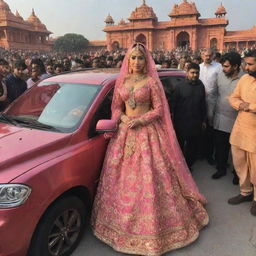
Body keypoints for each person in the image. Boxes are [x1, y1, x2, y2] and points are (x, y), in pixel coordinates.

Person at [91, 43, 209, 256]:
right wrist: (124, 118)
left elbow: (159, 109)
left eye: (141, 58)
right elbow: (117, 106)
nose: (136, 62)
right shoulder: (123, 81)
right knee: (120, 177)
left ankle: (157, 229)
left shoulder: (152, 82)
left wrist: (141, 120)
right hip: (125, 134)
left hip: (148, 133)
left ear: (147, 61)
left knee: (151, 178)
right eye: (133, 58)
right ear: (129, 60)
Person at [228, 49, 256, 216]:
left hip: (254, 133)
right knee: (240, 163)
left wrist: (250, 106)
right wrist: (240, 105)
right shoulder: (244, 79)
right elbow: (233, 97)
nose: (246, 67)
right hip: (240, 129)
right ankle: (245, 192)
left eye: (250, 64)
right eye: (246, 63)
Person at [211, 52, 243, 182]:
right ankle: (221, 169)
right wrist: (210, 113)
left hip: (238, 121)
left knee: (237, 151)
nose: (223, 69)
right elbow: (213, 95)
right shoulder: (220, 76)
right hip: (220, 118)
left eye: (226, 66)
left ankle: (237, 174)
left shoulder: (245, 79)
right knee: (221, 147)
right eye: (223, 66)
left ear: (235, 66)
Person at [171, 63, 207, 172]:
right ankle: (179, 167)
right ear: (187, 72)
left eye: (197, 73)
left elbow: (203, 104)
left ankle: (188, 165)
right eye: (192, 72)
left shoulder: (201, 85)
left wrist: (204, 120)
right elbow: (173, 105)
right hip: (181, 122)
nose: (195, 75)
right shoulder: (179, 87)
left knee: (192, 146)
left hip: (196, 122)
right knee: (180, 146)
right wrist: (173, 121)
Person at [199, 48, 222, 165]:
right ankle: (200, 153)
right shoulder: (199, 67)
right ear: (202, 55)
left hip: (213, 101)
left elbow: (221, 84)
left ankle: (209, 154)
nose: (207, 57)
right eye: (205, 55)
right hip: (200, 101)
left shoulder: (218, 67)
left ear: (212, 55)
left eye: (209, 55)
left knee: (210, 129)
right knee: (200, 128)